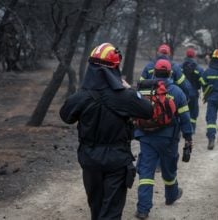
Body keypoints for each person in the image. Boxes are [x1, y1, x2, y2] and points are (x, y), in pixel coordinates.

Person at [59, 43, 153, 220]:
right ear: (115, 68)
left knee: (96, 209)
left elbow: (66, 116)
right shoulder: (125, 96)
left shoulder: (81, 96)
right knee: (111, 213)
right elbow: (148, 110)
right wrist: (129, 89)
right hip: (116, 160)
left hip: (90, 159)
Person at [134, 59, 193, 219]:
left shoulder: (143, 90)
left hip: (146, 137)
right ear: (170, 73)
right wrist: (188, 137)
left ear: (153, 72)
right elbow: (185, 117)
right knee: (168, 168)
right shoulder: (177, 92)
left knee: (146, 172)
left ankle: (143, 209)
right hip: (168, 139)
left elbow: (133, 113)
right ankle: (171, 195)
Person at [180, 47, 206, 132]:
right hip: (193, 94)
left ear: (186, 55)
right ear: (194, 56)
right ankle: (192, 128)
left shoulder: (180, 67)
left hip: (182, 94)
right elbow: (203, 81)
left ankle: (182, 129)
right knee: (193, 112)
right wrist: (206, 93)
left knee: (182, 111)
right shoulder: (198, 68)